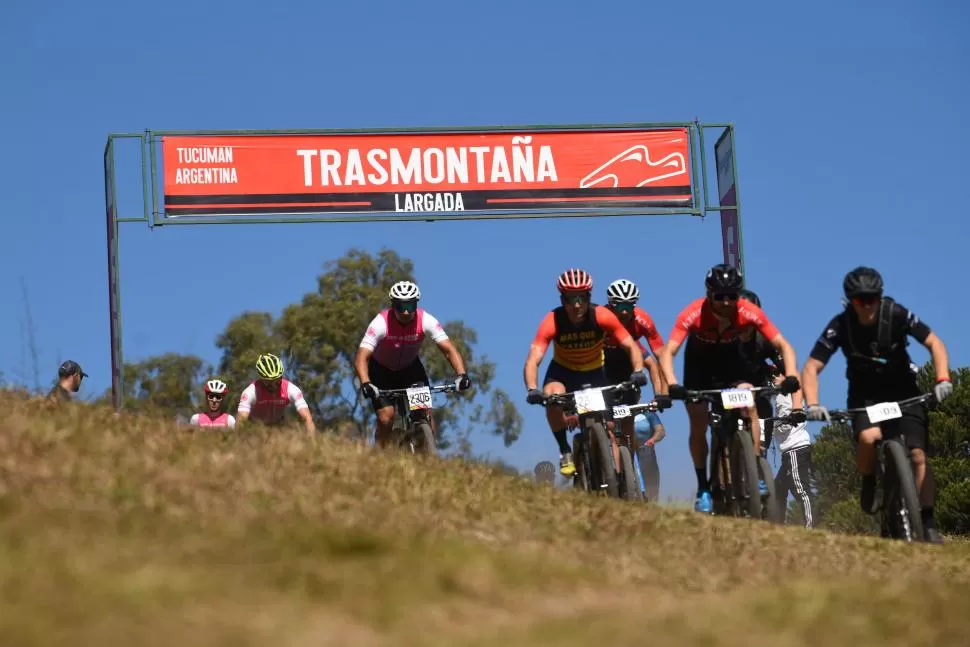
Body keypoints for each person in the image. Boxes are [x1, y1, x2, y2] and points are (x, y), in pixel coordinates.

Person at [800, 266, 951, 543]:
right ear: (850, 301)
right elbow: (811, 367)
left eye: (872, 299)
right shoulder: (840, 325)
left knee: (918, 455)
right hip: (865, 396)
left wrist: (942, 379)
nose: (867, 306)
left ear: (880, 297)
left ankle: (927, 521)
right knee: (869, 438)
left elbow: (934, 343)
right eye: (860, 300)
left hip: (905, 391)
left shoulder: (895, 313)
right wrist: (813, 403)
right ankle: (868, 479)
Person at [657, 263, 800, 514]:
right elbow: (668, 352)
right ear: (709, 294)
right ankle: (703, 487)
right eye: (719, 297)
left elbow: (784, 345)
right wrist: (672, 384)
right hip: (699, 368)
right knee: (699, 421)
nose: (726, 303)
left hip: (731, 366)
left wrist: (790, 376)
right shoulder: (693, 313)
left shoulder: (748, 311)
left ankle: (755, 467)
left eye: (731, 296)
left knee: (748, 404)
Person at [523, 268, 647, 476]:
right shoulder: (553, 320)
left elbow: (631, 346)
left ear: (589, 297)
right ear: (563, 300)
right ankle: (564, 450)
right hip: (563, 372)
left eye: (581, 298)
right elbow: (533, 358)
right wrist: (532, 388)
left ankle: (615, 476)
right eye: (570, 299)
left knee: (608, 426)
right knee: (552, 397)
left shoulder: (602, 316)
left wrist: (637, 370)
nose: (577, 305)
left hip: (595, 373)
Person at [355, 280, 471, 448]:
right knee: (386, 416)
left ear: (416, 304)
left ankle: (429, 453)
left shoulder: (426, 320)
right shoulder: (381, 322)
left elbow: (448, 349)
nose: (407, 311)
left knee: (424, 411)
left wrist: (462, 374)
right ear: (393, 305)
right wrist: (366, 383)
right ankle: (380, 456)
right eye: (401, 307)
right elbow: (361, 357)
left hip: (410, 370)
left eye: (410, 305)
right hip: (380, 371)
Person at [766, 372, 816, 528]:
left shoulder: (785, 395)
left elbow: (786, 423)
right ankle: (778, 526)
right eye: (770, 375)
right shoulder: (783, 394)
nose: (772, 378)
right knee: (778, 489)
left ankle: (812, 527)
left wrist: (770, 425)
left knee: (801, 489)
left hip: (795, 448)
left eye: (776, 375)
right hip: (791, 451)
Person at [237, 353, 316, 434]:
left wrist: (312, 442)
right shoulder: (250, 392)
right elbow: (240, 423)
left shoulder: (292, 389)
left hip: (278, 426)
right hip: (255, 427)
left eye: (277, 380)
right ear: (261, 379)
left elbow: (307, 419)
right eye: (269, 381)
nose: (274, 385)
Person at [633, 410, 665, 502]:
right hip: (628, 453)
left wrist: (652, 440)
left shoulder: (648, 414)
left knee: (652, 491)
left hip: (646, 452)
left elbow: (660, 431)